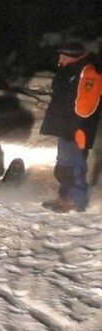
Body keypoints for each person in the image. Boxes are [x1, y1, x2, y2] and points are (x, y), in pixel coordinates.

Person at [40, 40, 102, 213]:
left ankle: (77, 201)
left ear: (72, 56)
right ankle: (65, 197)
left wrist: (79, 129)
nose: (59, 59)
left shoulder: (88, 73)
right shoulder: (69, 71)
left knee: (73, 167)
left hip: (76, 128)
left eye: (63, 56)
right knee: (63, 167)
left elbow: (86, 107)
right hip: (65, 126)